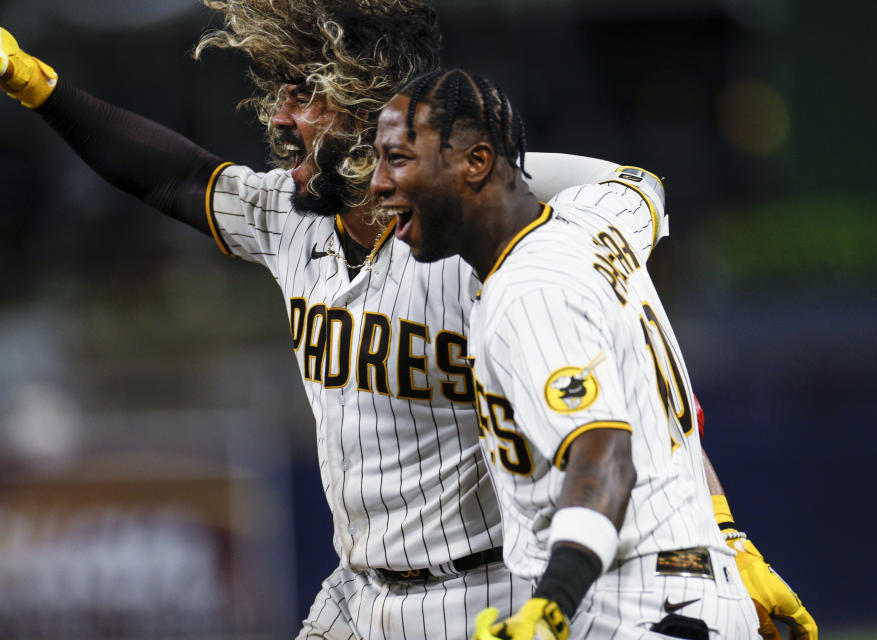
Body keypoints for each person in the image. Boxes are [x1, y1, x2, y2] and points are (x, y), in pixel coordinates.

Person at [1, 4, 816, 637]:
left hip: (489, 588)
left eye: (303, 96)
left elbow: (629, 384)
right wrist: (40, 86)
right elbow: (177, 177)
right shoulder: (293, 221)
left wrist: (722, 529)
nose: (279, 117)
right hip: (357, 594)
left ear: (367, 110)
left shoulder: (485, 238)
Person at [371, 68, 774, 639]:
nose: (377, 184)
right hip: (693, 582)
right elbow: (641, 185)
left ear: (476, 164)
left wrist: (551, 605)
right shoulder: (594, 219)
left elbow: (605, 455)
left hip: (636, 610)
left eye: (399, 159)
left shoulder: (529, 292)